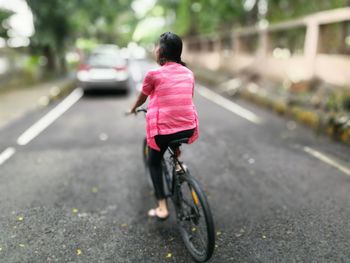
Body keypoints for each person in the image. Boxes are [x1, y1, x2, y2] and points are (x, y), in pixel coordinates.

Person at [129, 32, 199, 220]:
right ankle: (178, 166)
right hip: (188, 126)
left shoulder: (153, 74)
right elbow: (186, 99)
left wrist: (134, 108)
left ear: (161, 52)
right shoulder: (189, 73)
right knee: (175, 134)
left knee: (153, 162)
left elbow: (142, 97)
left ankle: (162, 207)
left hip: (162, 130)